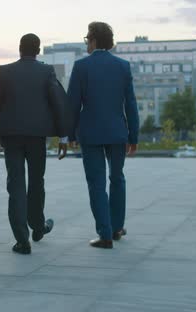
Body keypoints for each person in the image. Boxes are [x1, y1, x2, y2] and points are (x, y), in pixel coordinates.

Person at [0, 33, 68, 255]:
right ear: (38, 50)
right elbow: (58, 103)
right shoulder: (46, 71)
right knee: (36, 181)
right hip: (36, 137)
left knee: (15, 184)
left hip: (11, 135)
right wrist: (63, 136)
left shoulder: (5, 71)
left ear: (19, 49)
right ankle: (38, 226)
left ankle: (22, 240)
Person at [67, 22, 139, 249]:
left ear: (94, 40)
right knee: (117, 179)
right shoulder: (123, 66)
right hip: (118, 133)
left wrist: (70, 134)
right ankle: (117, 227)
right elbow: (131, 104)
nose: (86, 43)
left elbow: (72, 104)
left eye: (87, 39)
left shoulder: (81, 67)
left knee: (97, 184)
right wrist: (133, 136)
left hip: (90, 134)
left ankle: (105, 234)